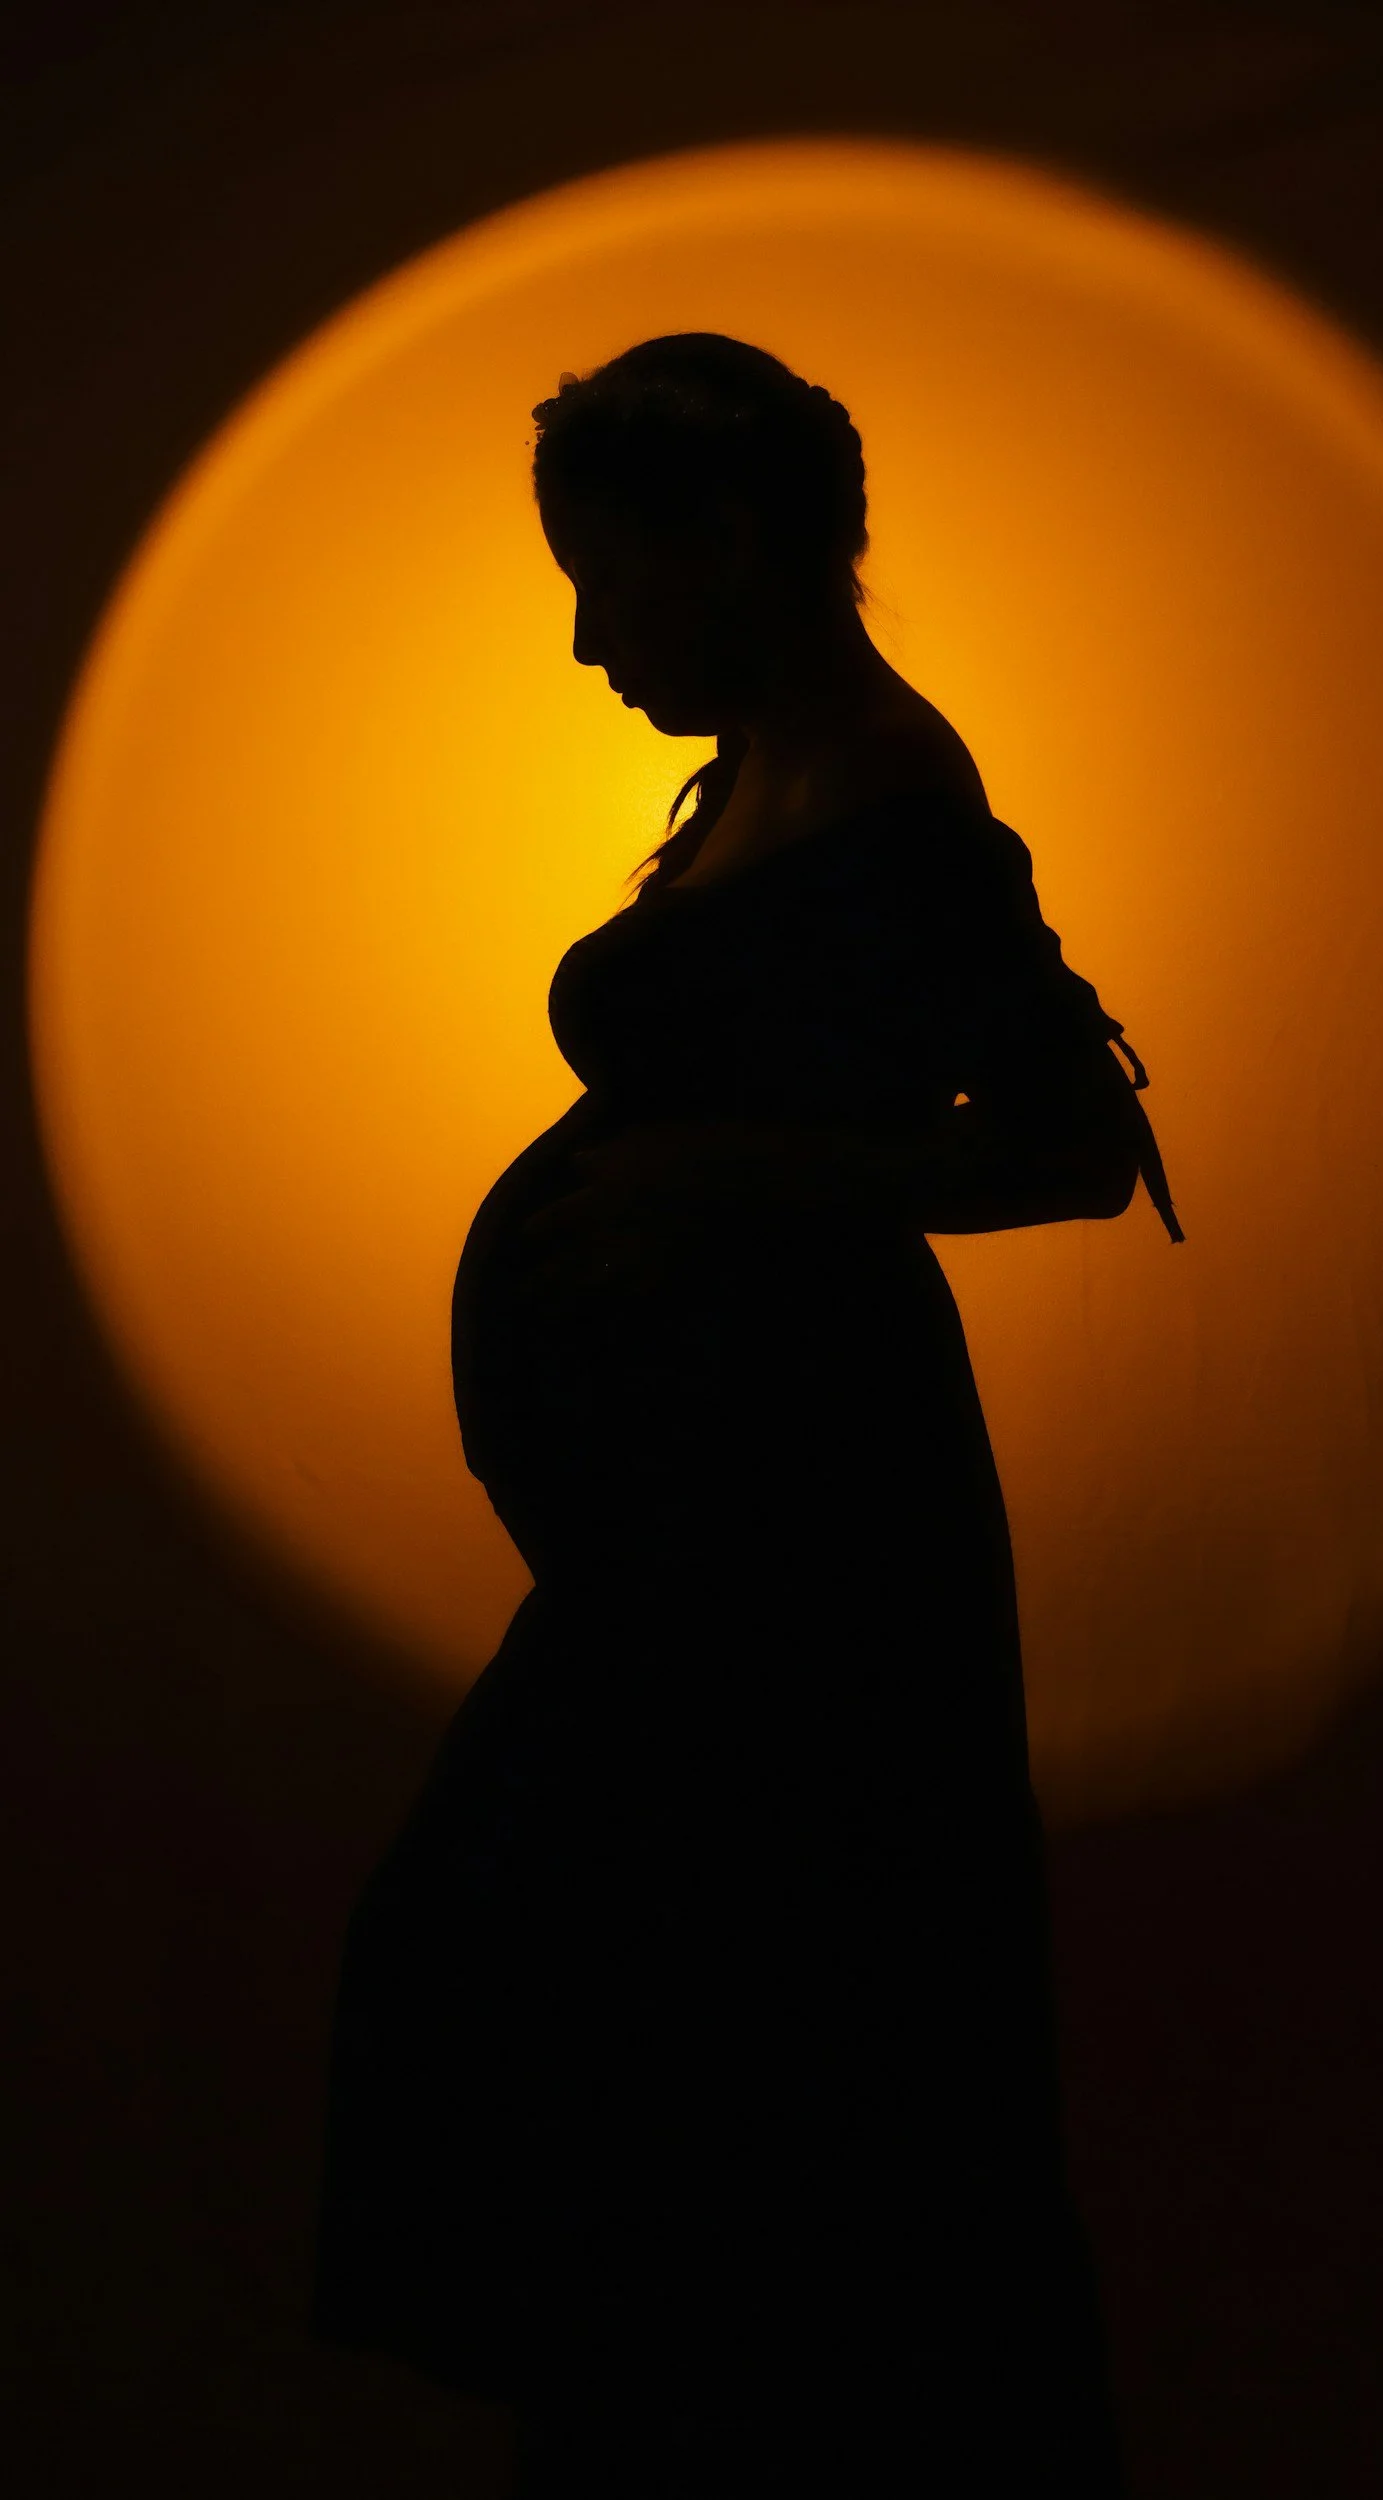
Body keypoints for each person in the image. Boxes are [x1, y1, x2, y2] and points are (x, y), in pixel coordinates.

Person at [310, 332, 1182, 2496]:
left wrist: (736, 1177)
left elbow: (1076, 1143)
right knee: (600, 1978)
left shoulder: (893, 791)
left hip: (799, 1530)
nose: (588, 640)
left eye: (606, 581)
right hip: (700, 1527)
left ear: (730, 543)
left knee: (734, 2002)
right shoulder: (775, 770)